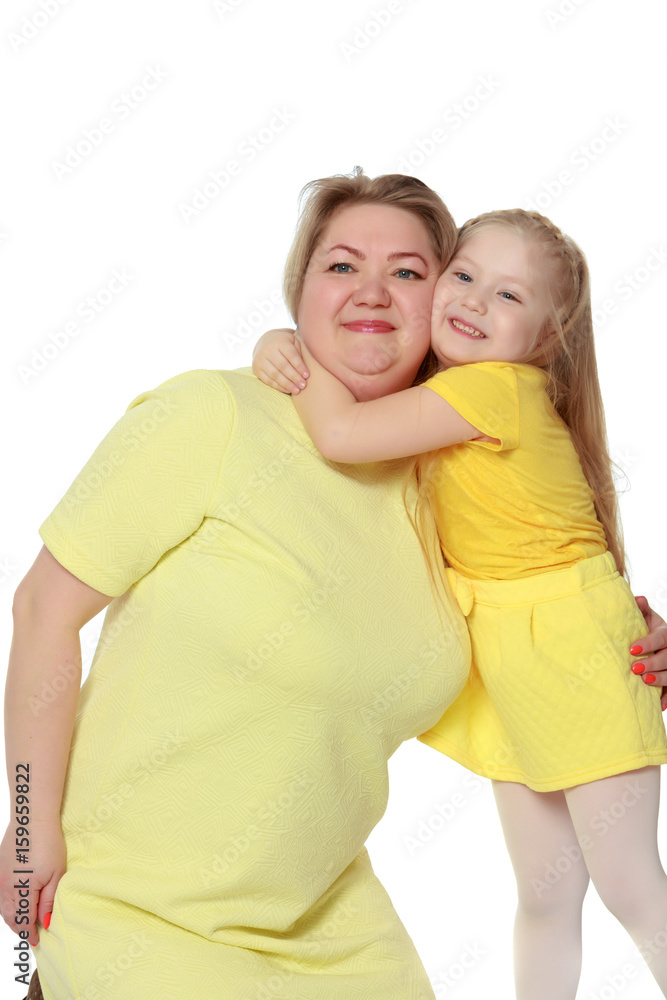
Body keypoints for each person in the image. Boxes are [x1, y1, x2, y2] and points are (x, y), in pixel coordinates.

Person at [0, 171, 472, 1000]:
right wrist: (30, 826)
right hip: (141, 920)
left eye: (407, 271)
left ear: (444, 304)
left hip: (336, 943)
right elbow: (43, 609)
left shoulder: (450, 498)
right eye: (340, 266)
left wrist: (625, 647)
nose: (371, 292)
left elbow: (517, 674)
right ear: (299, 290)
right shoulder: (213, 415)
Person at [252, 207, 667, 998]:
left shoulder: (491, 392)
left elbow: (339, 434)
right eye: (465, 276)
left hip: (568, 646)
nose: (474, 302)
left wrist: (288, 347)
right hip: (508, 654)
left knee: (631, 888)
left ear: (546, 338)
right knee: (545, 896)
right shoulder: (445, 391)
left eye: (508, 297)